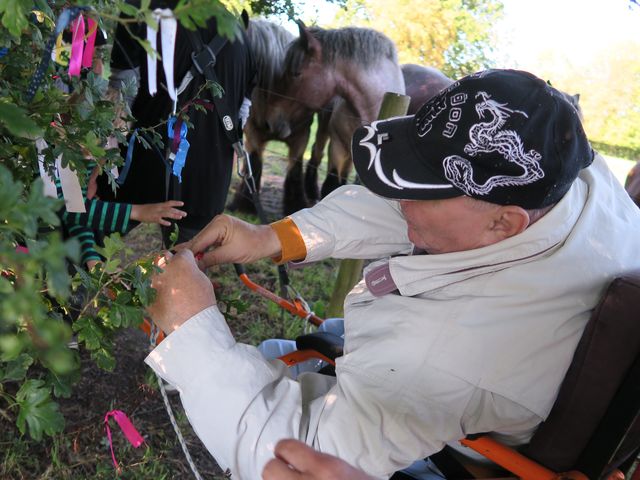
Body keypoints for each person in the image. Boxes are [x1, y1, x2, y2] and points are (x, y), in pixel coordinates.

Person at [144, 69, 640, 479]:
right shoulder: (567, 171)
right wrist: (276, 237)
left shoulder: (450, 356)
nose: (400, 199)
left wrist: (193, 330)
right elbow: (411, 206)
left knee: (271, 360)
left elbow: (287, 455)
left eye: (422, 190)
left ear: (502, 222)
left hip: (446, 448)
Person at [99, 0, 255, 246]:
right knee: (186, 270)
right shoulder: (237, 28)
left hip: (141, 169)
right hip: (208, 182)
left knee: (90, 246)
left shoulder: (139, 10)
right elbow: (241, 114)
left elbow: (119, 100)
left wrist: (99, 165)